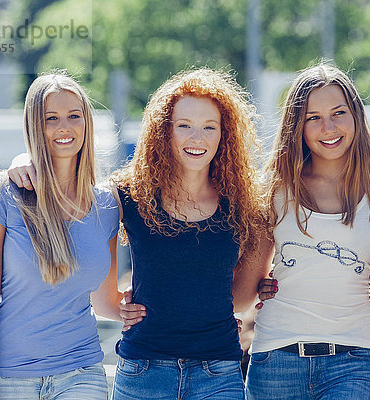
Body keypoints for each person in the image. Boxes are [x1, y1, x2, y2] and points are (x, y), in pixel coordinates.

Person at [0, 72, 145, 400]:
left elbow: (105, 299)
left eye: (73, 116)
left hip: (82, 373)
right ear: (35, 126)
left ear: (86, 124)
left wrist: (140, 305)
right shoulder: (1, 195)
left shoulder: (107, 206)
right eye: (51, 118)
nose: (64, 127)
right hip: (10, 378)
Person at [109, 68, 269, 399]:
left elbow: (239, 298)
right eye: (184, 126)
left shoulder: (246, 203)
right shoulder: (127, 195)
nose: (197, 139)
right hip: (143, 371)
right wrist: (24, 162)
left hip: (219, 373)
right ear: (163, 131)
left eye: (209, 127)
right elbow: (68, 188)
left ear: (225, 135)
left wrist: (210, 309)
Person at [235, 63, 370, 400]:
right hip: (275, 358)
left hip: (354, 360)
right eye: (313, 117)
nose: (328, 127)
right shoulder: (273, 190)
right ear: (297, 126)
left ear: (357, 117)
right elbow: (244, 292)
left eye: (338, 113)